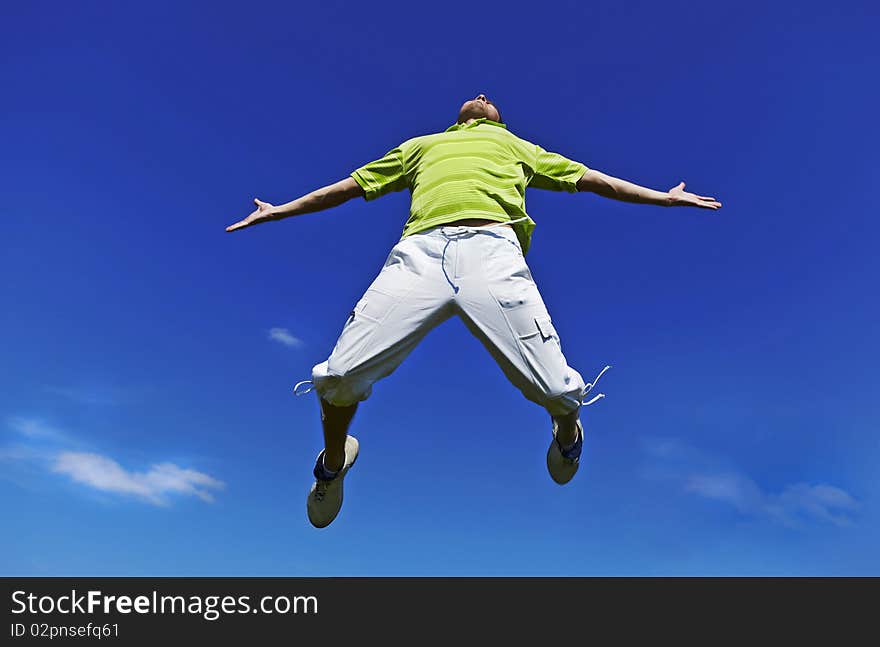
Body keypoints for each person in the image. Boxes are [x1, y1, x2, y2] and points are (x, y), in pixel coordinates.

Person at [226, 94, 722, 528]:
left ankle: (568, 433)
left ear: (497, 120)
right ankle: (333, 464)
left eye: (490, 99)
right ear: (458, 119)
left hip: (493, 250)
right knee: (338, 376)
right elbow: (349, 186)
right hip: (419, 254)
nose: (482, 94)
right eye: (475, 96)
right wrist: (280, 209)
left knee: (553, 387)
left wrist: (662, 197)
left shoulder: (518, 147)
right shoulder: (421, 146)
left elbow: (593, 180)